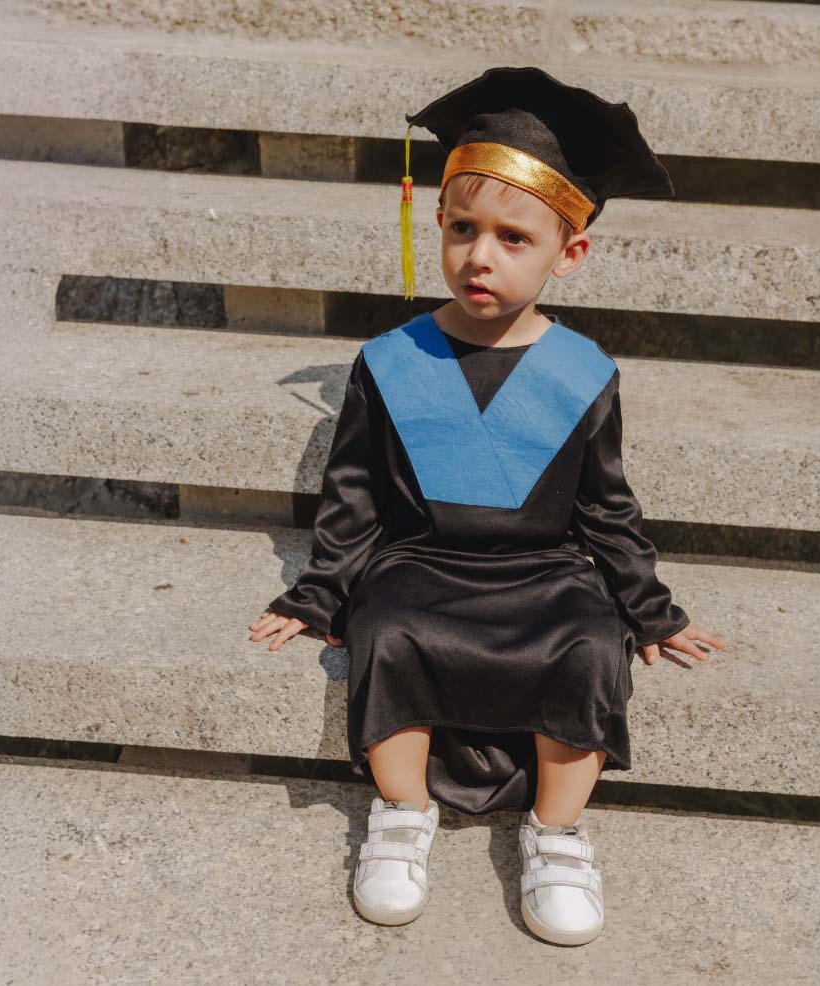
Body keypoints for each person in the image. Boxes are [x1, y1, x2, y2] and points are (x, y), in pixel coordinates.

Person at [249, 66, 725, 945]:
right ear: (435, 226)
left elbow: (606, 509)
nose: (481, 254)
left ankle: (556, 835)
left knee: (589, 643)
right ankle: (401, 815)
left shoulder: (584, 373)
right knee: (386, 630)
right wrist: (319, 593)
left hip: (544, 572)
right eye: (463, 228)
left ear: (567, 253)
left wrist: (649, 611)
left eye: (513, 237)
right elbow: (352, 494)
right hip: (421, 564)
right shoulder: (391, 360)